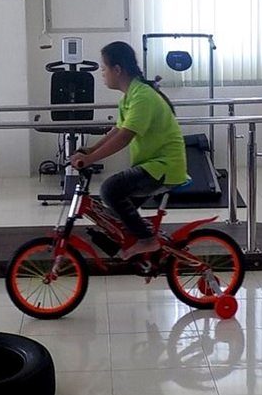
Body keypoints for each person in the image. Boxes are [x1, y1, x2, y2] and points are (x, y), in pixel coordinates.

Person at [70, 41, 188, 259]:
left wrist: (90, 159)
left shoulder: (143, 96)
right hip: (152, 166)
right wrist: (90, 150)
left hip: (163, 167)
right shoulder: (129, 97)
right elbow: (118, 130)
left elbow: (125, 137)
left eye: (103, 68)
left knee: (110, 189)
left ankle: (148, 241)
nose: (102, 74)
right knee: (115, 219)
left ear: (117, 69)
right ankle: (148, 257)